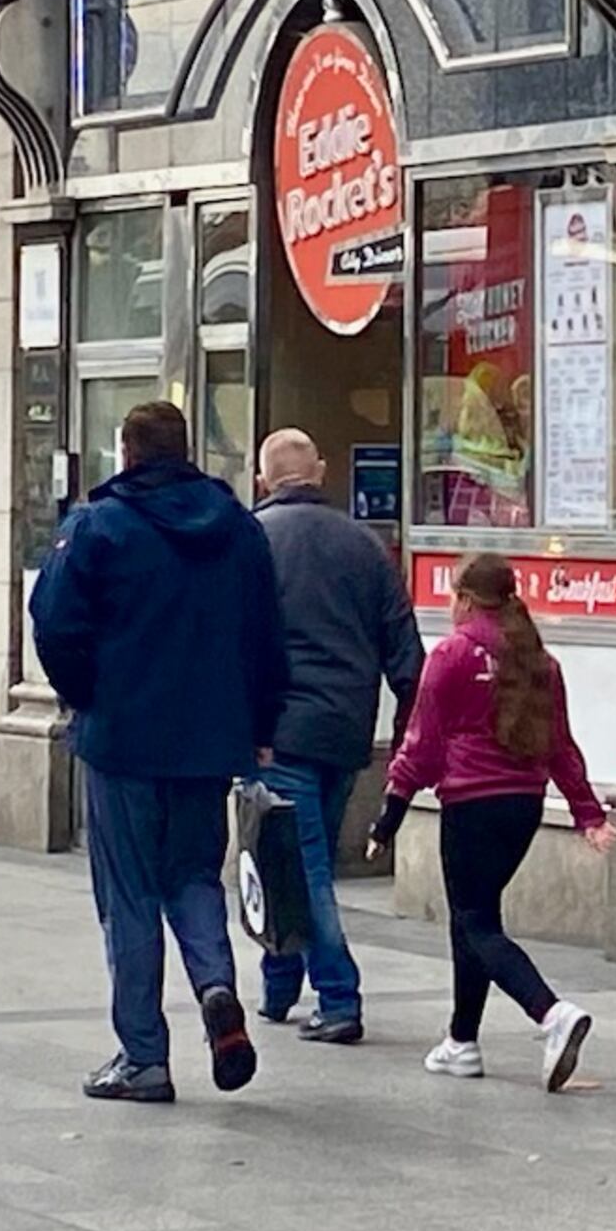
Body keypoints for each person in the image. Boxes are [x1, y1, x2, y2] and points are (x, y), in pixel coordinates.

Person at [28, 401, 289, 1104]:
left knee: (130, 896)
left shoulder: (99, 526)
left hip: (123, 739)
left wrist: (87, 692)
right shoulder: (238, 527)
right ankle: (215, 989)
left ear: (128, 451)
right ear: (187, 448)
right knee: (196, 877)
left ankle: (144, 1055)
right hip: (210, 741)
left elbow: (51, 622)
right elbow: (268, 634)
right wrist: (259, 723)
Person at [370, 553, 610, 1092]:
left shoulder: (452, 655)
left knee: (476, 922)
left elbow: (421, 743)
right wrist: (587, 813)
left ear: (466, 599)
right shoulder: (540, 663)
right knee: (474, 916)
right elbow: (561, 747)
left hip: (471, 804)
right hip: (523, 808)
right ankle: (461, 1041)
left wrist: (390, 813)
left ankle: (551, 1013)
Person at [248, 427, 419, 1044]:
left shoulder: (253, 540)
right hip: (346, 733)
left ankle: (338, 996)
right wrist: (405, 739)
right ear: (318, 471)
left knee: (295, 863)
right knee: (290, 857)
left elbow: (234, 643)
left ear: (264, 480)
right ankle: (277, 984)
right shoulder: (366, 544)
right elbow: (405, 649)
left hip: (278, 733)